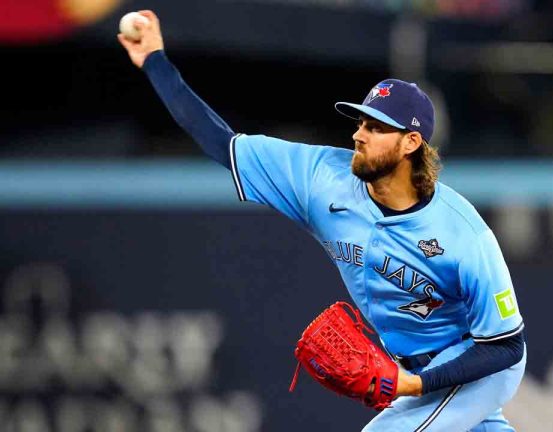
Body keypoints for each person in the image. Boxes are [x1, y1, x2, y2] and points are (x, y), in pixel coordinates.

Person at [118, 10, 527, 431]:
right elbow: (221, 143)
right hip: (417, 367)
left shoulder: (464, 232)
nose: (358, 134)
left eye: (376, 127)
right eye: (361, 122)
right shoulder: (323, 180)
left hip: (476, 364)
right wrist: (154, 60)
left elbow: (505, 346)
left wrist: (415, 383)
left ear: (411, 142)